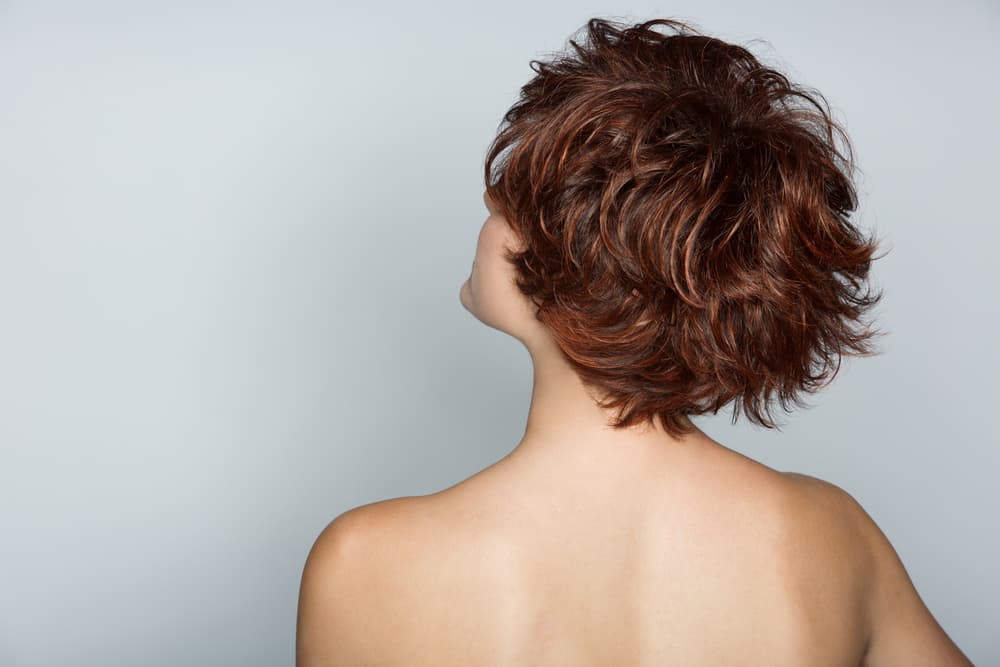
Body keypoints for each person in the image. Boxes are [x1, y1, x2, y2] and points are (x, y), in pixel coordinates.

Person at [296, 17, 973, 666]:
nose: (489, 214)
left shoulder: (364, 561)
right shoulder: (828, 540)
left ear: (570, 263)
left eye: (509, 205)